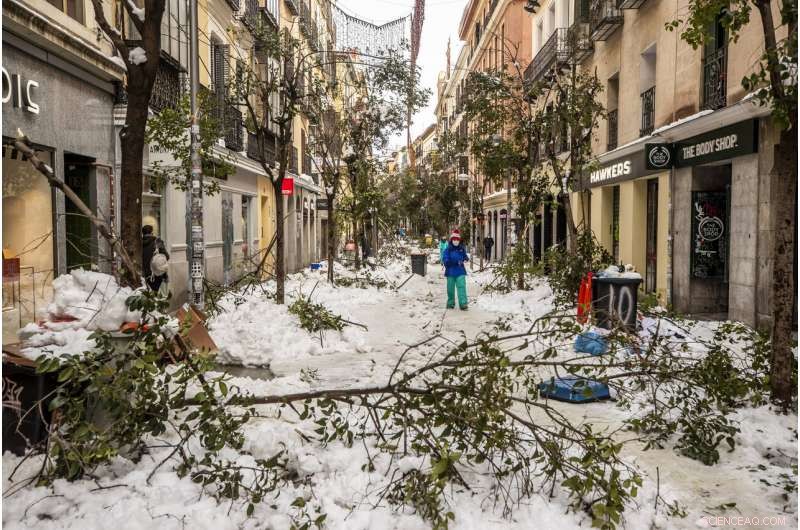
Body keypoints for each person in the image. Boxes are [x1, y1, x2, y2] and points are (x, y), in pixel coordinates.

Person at [442, 229, 469, 310]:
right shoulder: (448, 250)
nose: (456, 241)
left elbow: (465, 256)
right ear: (451, 240)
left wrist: (466, 259)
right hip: (450, 272)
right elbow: (445, 260)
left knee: (462, 287)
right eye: (454, 239)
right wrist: (452, 262)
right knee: (450, 289)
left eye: (457, 240)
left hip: (460, 271)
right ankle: (450, 303)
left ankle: (463, 304)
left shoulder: (461, 248)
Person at [142, 225, 169, 293]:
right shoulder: (157, 242)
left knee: (146, 296)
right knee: (155, 294)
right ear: (152, 232)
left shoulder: (139, 243)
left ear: (143, 233)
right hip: (156, 274)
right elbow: (166, 257)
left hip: (143, 275)